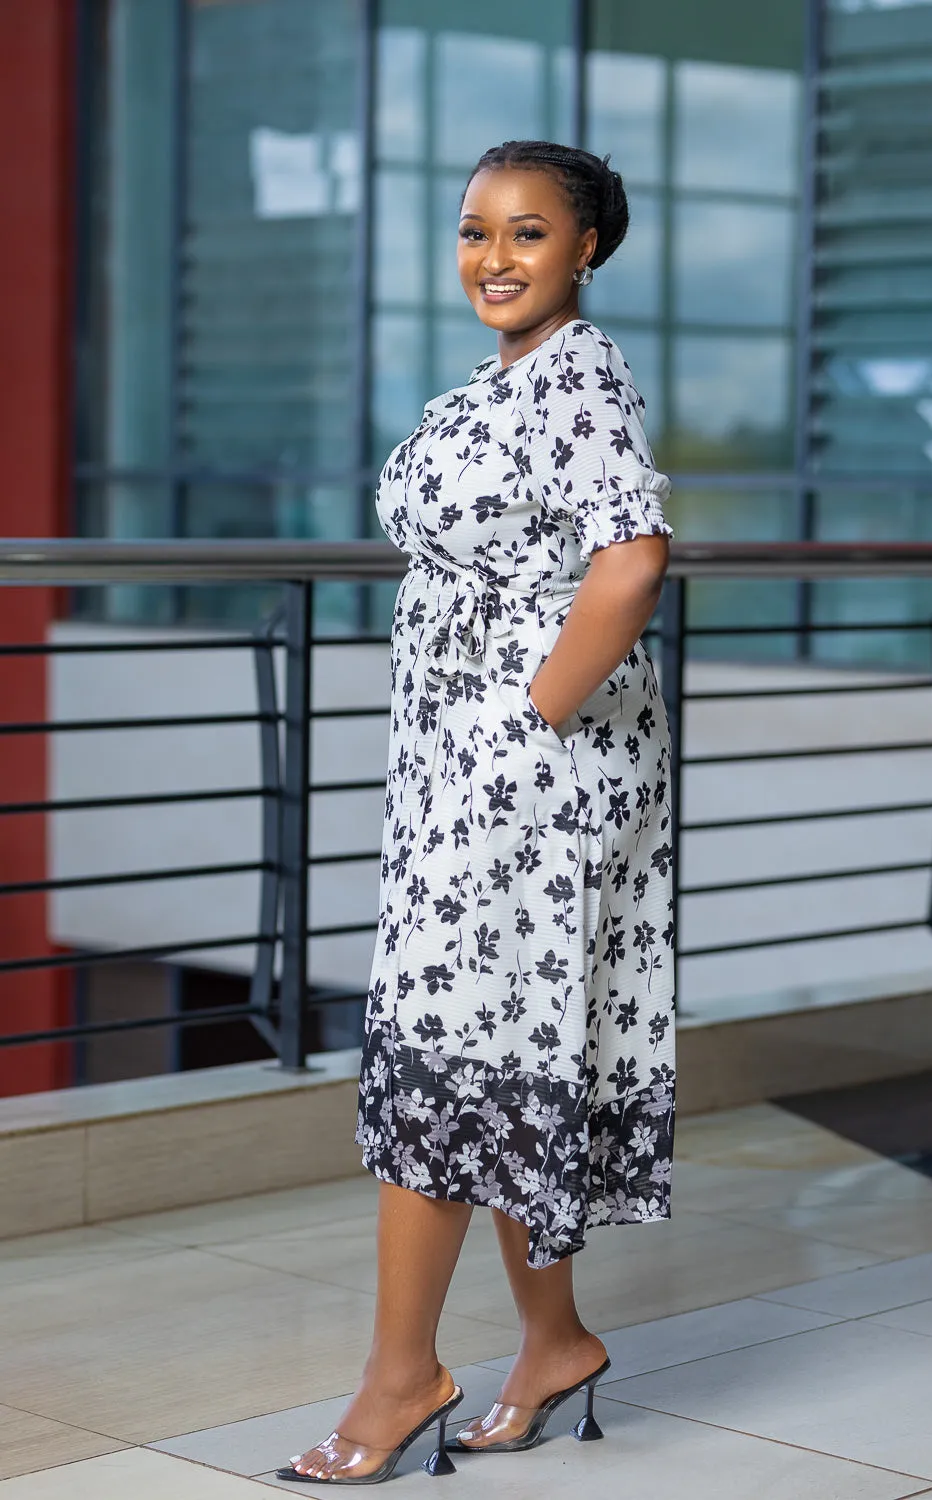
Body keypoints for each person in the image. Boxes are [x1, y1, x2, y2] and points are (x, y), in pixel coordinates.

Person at [277, 139, 676, 1486]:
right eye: (473, 233)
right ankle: (553, 1341)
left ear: (587, 249)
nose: (494, 259)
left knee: (445, 1048)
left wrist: (522, 724)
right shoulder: (495, 385)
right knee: (503, 1046)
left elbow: (631, 563)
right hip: (469, 762)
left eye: (527, 234)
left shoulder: (581, 371)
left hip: (535, 769)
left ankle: (404, 1379)